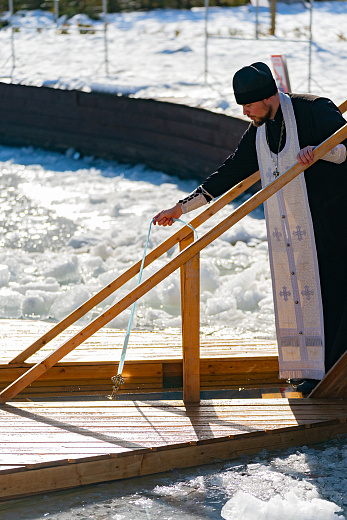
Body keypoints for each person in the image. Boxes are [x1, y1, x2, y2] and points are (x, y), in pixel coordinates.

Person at [153, 62, 347, 394]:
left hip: (336, 223)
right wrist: (181, 208)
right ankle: (312, 371)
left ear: (266, 97)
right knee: (306, 298)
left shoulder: (315, 109)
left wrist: (321, 153)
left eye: (247, 104)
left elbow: (345, 150)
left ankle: (333, 374)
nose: (244, 112)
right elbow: (232, 171)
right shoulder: (260, 130)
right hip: (301, 233)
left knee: (335, 297)